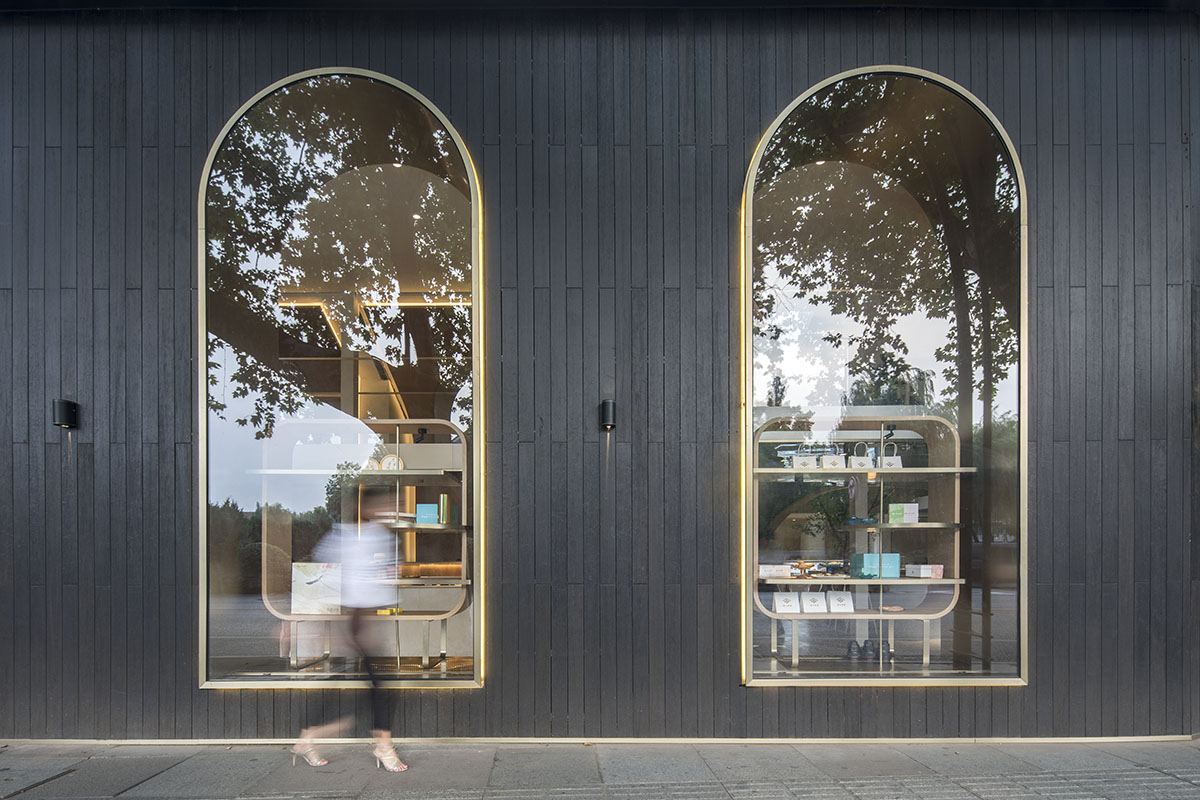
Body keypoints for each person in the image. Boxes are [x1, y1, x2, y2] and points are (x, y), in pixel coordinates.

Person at [293, 485, 407, 772]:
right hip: (355, 621)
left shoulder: (381, 536)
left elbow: (384, 576)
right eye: (384, 504)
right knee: (378, 686)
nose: (390, 509)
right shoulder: (346, 535)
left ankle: (310, 737)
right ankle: (383, 747)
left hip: (365, 619)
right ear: (367, 508)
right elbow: (320, 573)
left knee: (359, 684)